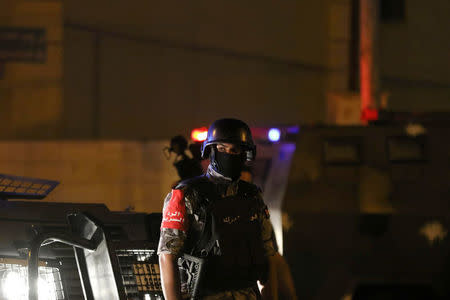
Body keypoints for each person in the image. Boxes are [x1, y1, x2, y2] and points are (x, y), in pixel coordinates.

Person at [158, 118, 277, 300]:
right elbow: (167, 255)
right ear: (211, 150)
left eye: (234, 150)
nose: (228, 154)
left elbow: (267, 256)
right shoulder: (187, 194)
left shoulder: (252, 197)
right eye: (221, 148)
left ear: (244, 154)